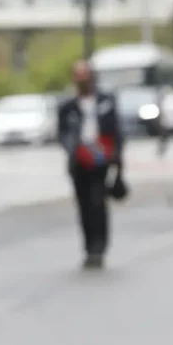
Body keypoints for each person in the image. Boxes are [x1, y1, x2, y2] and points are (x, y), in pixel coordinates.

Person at [57, 60, 126, 269]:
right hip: (79, 161)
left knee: (98, 202)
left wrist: (117, 158)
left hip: (101, 159)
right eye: (78, 76)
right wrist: (72, 149)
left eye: (85, 76)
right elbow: (62, 134)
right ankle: (88, 247)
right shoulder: (68, 107)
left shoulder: (106, 102)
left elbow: (117, 131)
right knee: (84, 205)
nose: (83, 80)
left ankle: (99, 246)